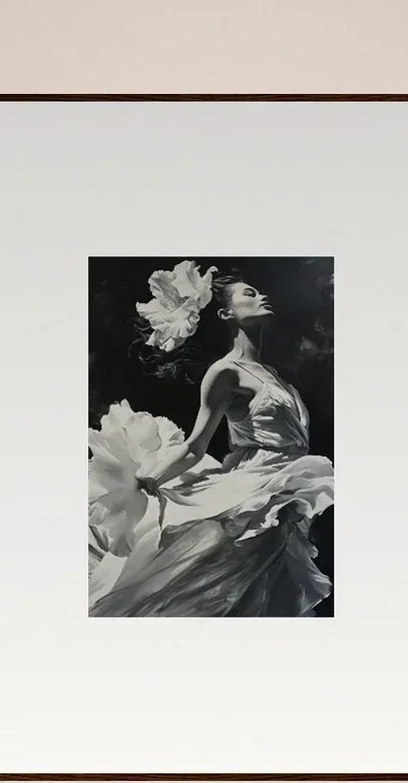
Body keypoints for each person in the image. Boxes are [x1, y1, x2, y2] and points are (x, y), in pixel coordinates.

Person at [88, 262, 334, 617]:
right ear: (226, 313)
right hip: (258, 488)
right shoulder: (225, 372)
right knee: (228, 586)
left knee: (266, 593)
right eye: (250, 293)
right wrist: (150, 482)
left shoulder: (273, 375)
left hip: (286, 485)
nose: (263, 296)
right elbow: (195, 446)